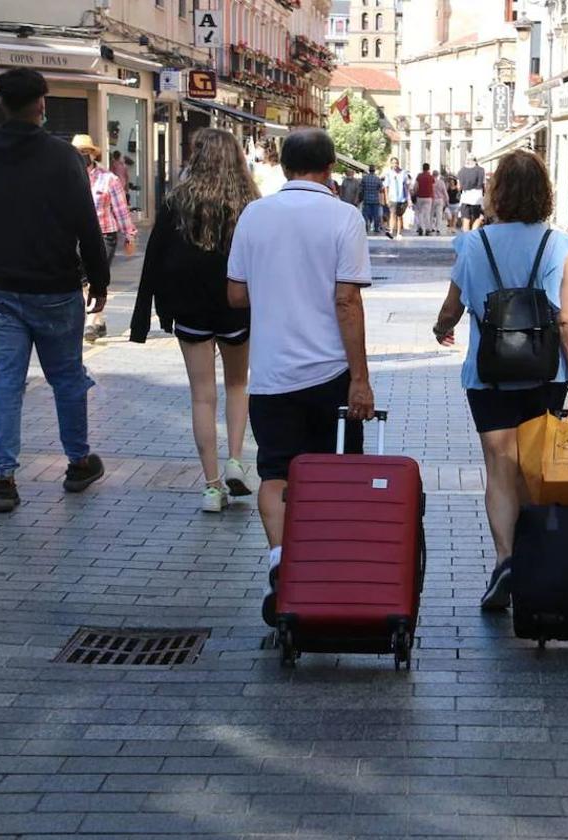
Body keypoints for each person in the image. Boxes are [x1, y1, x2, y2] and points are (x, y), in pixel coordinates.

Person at [431, 150, 568, 610]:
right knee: (532, 467)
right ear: (544, 192)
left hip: (490, 375)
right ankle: (534, 560)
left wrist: (442, 329)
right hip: (546, 373)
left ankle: (505, 561)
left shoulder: (472, 245)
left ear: (497, 192)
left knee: (500, 467)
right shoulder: (560, 246)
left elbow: (452, 308)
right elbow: (567, 321)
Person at [226, 129, 375, 622]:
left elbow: (236, 296)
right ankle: (315, 566)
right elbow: (347, 300)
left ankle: (279, 559)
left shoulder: (254, 214)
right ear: (330, 167)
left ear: (285, 166)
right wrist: (360, 378)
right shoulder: (344, 217)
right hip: (328, 371)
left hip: (270, 371)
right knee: (323, 471)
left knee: (275, 469)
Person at [0, 68, 109, 513]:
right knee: (66, 378)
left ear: (1, 103)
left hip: (0, 286)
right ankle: (78, 462)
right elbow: (86, 222)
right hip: (55, 286)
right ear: (42, 105)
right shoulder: (63, 157)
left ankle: (3, 478)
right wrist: (100, 280)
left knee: (5, 382)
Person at [131, 129, 256, 512]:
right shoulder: (249, 203)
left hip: (189, 309)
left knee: (202, 395)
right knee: (237, 385)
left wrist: (142, 321)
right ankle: (236, 460)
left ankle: (211, 486)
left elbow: (153, 261)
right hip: (236, 308)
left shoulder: (177, 202)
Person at [73, 134, 136, 343]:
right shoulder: (67, 178)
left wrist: (129, 235)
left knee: (96, 276)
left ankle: (91, 321)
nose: (81, 156)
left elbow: (120, 209)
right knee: (82, 279)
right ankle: (98, 318)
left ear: (92, 154)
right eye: (77, 152)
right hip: (75, 235)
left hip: (104, 234)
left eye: (85, 152)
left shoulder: (109, 179)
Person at [383, 156, 411, 240]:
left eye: (396, 163)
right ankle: (391, 231)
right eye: (393, 163)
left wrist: (408, 199)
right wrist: (386, 198)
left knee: (399, 216)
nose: (395, 164)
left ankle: (399, 233)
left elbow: (406, 186)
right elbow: (386, 186)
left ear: (398, 164)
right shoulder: (389, 173)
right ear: (391, 164)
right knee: (392, 214)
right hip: (392, 197)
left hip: (401, 198)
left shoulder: (403, 173)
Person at [457, 155, 486, 231]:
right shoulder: (481, 170)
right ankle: (474, 232)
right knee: (479, 216)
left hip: (465, 197)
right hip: (477, 197)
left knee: (466, 219)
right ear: (475, 161)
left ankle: (467, 237)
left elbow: (459, 187)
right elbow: (483, 185)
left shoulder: (461, 171)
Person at [360, 164, 385, 234]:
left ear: (369, 170)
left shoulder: (364, 178)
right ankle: (376, 228)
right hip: (375, 199)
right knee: (376, 215)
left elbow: (361, 188)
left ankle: (366, 227)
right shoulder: (377, 179)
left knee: (365, 215)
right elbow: (381, 188)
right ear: (374, 170)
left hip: (366, 199)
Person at [414, 164, 435, 236]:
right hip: (428, 197)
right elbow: (433, 187)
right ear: (429, 168)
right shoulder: (431, 177)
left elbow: (416, 186)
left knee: (420, 213)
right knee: (427, 213)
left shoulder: (419, 176)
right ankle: (427, 229)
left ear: (422, 168)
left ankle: (420, 227)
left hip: (420, 196)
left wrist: (415, 193)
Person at [432, 169, 449, 235]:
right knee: (439, 214)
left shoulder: (431, 182)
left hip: (432, 199)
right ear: (438, 175)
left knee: (431, 214)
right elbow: (444, 191)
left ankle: (432, 227)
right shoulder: (441, 182)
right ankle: (438, 228)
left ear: (432, 175)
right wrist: (447, 199)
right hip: (440, 200)